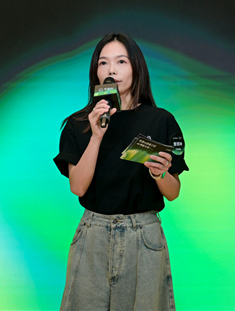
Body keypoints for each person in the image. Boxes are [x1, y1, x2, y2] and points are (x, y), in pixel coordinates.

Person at [54, 33, 188, 311]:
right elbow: (78, 187)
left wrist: (160, 173)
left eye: (121, 62)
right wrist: (96, 135)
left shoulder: (161, 120)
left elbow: (173, 192)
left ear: (136, 68)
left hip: (143, 235)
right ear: (96, 72)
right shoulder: (79, 123)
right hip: (94, 233)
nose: (111, 70)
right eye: (103, 63)